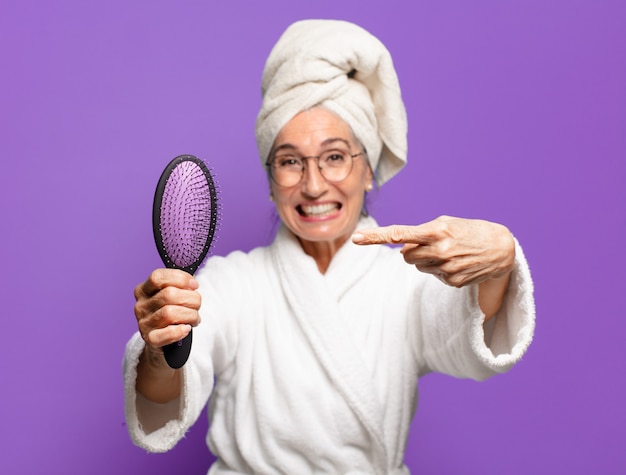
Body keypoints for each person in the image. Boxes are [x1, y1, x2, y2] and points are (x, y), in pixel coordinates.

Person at [123, 19, 535, 475]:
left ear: (369, 169)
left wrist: (499, 262)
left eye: (335, 156)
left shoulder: (406, 282)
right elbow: (162, 394)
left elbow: (468, 338)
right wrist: (161, 345)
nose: (314, 185)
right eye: (290, 161)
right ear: (271, 180)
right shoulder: (230, 284)